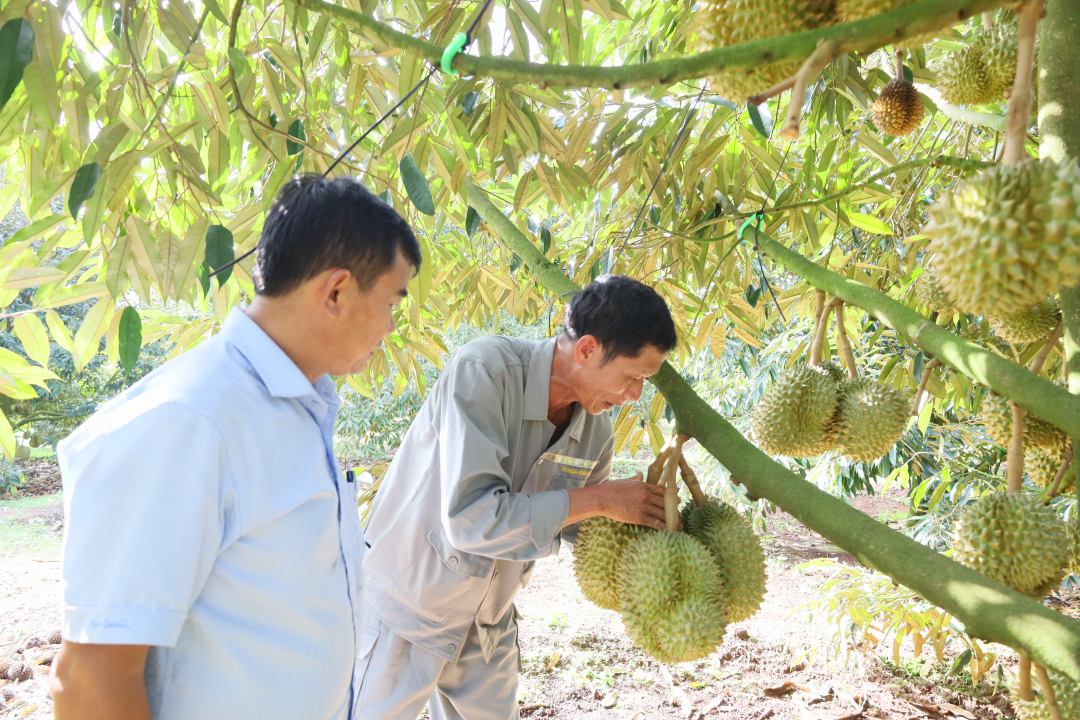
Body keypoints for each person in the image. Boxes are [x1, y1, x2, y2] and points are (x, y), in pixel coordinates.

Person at [49, 174, 421, 720]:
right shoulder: (189, 421)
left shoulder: (296, 408)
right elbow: (89, 676)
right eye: (392, 301)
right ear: (336, 291)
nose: (391, 327)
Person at [357, 274, 678, 720]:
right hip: (408, 609)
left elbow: (584, 531)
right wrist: (602, 498)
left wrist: (668, 537)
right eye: (632, 377)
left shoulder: (596, 431)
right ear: (587, 350)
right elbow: (472, 518)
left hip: (488, 626)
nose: (634, 395)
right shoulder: (485, 372)